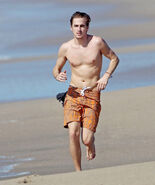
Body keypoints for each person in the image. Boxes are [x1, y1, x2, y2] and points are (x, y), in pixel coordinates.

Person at [53, 11, 119, 171]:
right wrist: (58, 75)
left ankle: (90, 145)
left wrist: (106, 76)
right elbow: (56, 68)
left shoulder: (97, 43)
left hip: (92, 93)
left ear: (87, 27)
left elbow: (114, 58)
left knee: (86, 139)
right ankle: (78, 172)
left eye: (82, 26)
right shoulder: (65, 48)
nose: (79, 29)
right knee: (73, 133)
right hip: (73, 93)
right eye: (76, 26)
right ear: (71, 27)